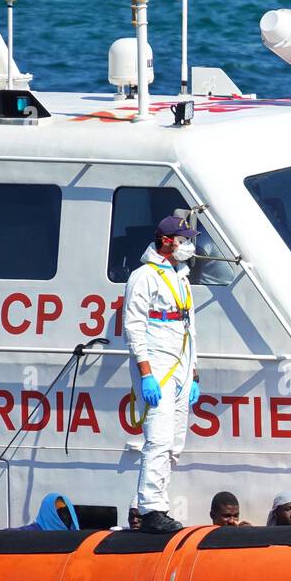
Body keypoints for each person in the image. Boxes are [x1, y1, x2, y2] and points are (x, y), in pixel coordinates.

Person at [123, 215, 201, 534]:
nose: (188, 246)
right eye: (183, 240)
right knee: (158, 438)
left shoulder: (181, 277)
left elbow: (191, 327)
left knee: (175, 442)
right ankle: (152, 508)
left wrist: (193, 373)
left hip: (181, 360)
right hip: (157, 362)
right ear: (168, 242)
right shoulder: (143, 277)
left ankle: (152, 502)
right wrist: (145, 373)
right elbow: (134, 325)